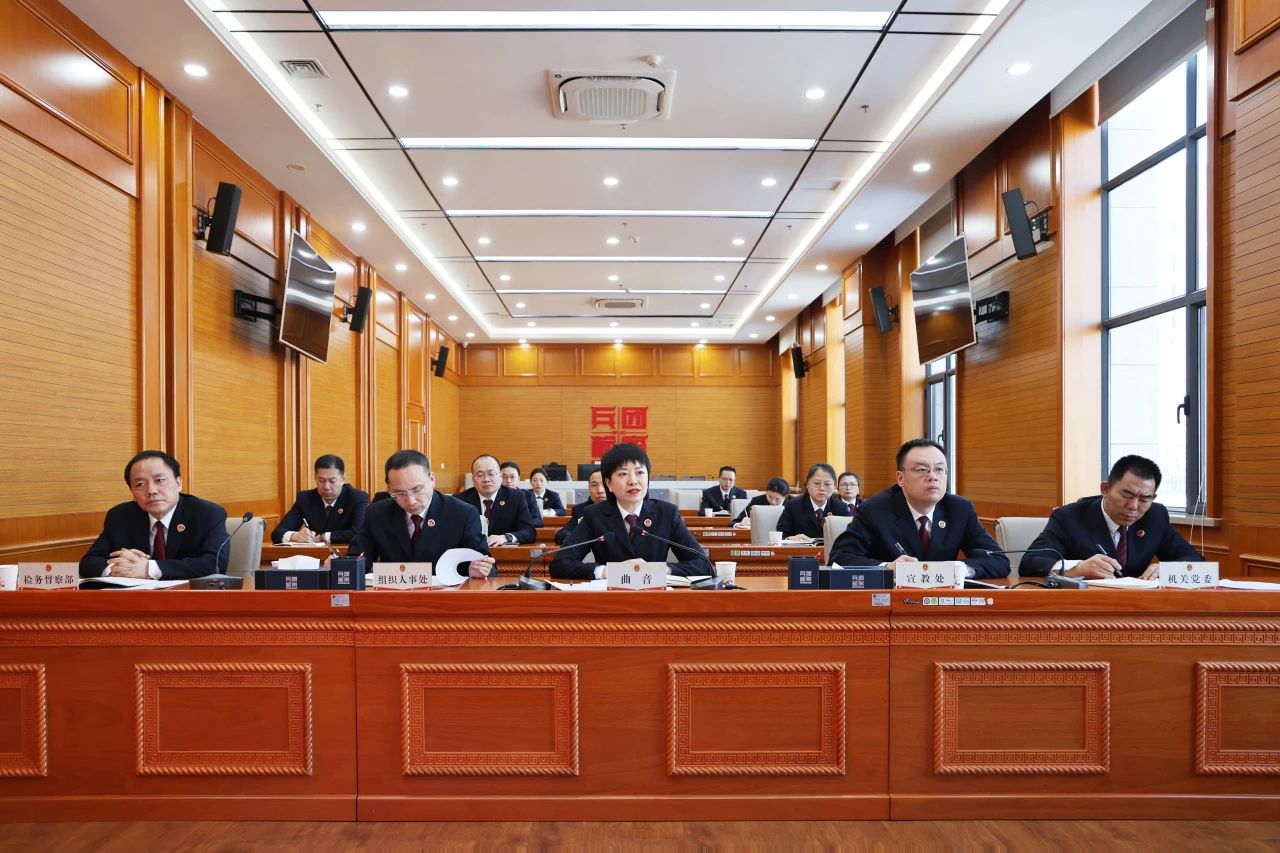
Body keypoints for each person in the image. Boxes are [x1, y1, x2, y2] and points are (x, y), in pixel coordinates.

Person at [829, 439, 1009, 579]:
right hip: (891, 602)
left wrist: (963, 569)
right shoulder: (874, 510)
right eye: (922, 469)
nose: (933, 476)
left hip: (944, 604)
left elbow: (998, 559)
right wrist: (887, 568)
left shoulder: (960, 509)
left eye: (940, 469)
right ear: (900, 478)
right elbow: (839, 558)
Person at [1020, 455, 1202, 579]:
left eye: (1144, 499)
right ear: (1105, 489)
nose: (1133, 506)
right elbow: (1031, 562)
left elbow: (1196, 561)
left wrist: (1171, 570)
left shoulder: (1156, 516)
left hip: (1137, 610)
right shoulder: (1069, 516)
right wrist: (1077, 569)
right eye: (1127, 495)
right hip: (1083, 608)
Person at [550, 443, 712, 580]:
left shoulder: (667, 514)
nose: (633, 481)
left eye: (640, 472)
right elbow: (560, 563)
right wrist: (607, 571)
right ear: (609, 484)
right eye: (623, 474)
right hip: (609, 600)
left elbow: (703, 564)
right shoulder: (595, 515)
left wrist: (661, 571)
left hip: (656, 598)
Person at [79, 450, 229, 580]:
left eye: (160, 480)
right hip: (135, 600)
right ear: (132, 492)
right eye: (140, 484)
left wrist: (148, 569)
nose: (151, 490)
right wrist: (117, 569)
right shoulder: (120, 516)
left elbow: (215, 564)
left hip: (187, 598)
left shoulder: (207, 513)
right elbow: (88, 563)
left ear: (179, 483)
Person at [348, 450, 495, 578]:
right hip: (394, 596)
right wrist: (344, 566)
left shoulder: (462, 514)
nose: (411, 501)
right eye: (399, 493)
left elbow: (487, 567)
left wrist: (477, 569)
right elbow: (358, 559)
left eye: (417, 490)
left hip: (445, 596)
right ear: (389, 488)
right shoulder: (376, 514)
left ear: (432, 479)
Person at [271, 454, 369, 545]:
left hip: (347, 554)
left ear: (343, 479)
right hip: (314, 555)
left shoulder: (357, 498)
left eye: (332, 481)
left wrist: (324, 537)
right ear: (315, 478)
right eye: (321, 481)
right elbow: (277, 533)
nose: (326, 487)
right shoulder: (305, 499)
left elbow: (359, 532)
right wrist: (295, 536)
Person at [458, 454, 537, 548]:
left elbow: (529, 532)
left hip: (504, 554)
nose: (486, 479)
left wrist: (506, 537)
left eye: (491, 474)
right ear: (473, 479)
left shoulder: (516, 497)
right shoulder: (460, 501)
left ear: (500, 476)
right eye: (480, 475)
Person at [776, 463, 850, 541]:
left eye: (827, 484)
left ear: (834, 486)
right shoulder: (793, 506)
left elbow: (846, 538)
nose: (822, 488)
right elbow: (781, 534)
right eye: (817, 483)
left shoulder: (841, 508)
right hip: (800, 548)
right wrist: (790, 538)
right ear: (807, 484)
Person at [555, 467, 606, 545]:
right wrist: (573, 540)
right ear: (589, 488)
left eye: (604, 485)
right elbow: (562, 534)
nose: (600, 490)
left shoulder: (622, 508)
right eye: (594, 485)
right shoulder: (581, 510)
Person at [500, 460, 543, 528]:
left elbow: (538, 521)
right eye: (504, 477)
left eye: (512, 477)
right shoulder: (494, 495)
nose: (508, 481)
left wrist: (520, 524)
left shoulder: (528, 496)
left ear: (518, 478)